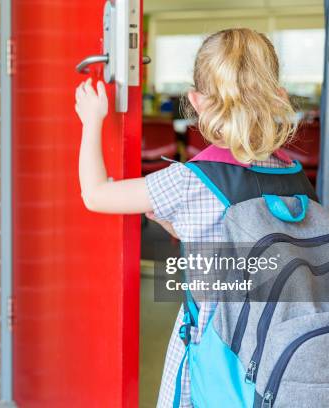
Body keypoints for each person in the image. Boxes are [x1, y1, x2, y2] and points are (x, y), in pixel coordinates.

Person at [74, 28, 297, 407]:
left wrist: (92, 121)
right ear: (279, 97)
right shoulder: (292, 173)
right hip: (277, 351)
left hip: (214, 355)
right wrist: (168, 219)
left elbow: (95, 195)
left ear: (196, 101)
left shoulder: (190, 181)